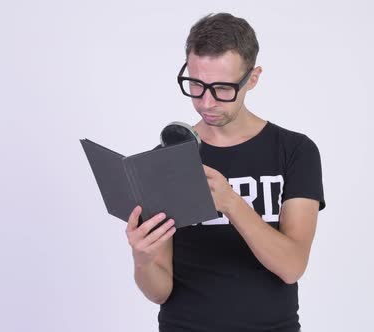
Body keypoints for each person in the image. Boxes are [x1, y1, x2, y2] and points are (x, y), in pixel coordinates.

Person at [125, 13, 325, 332]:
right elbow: (159, 291)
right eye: (195, 85)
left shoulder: (295, 151)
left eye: (222, 88)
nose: (206, 102)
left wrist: (232, 203)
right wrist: (143, 257)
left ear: (253, 78)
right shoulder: (165, 160)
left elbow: (292, 266)